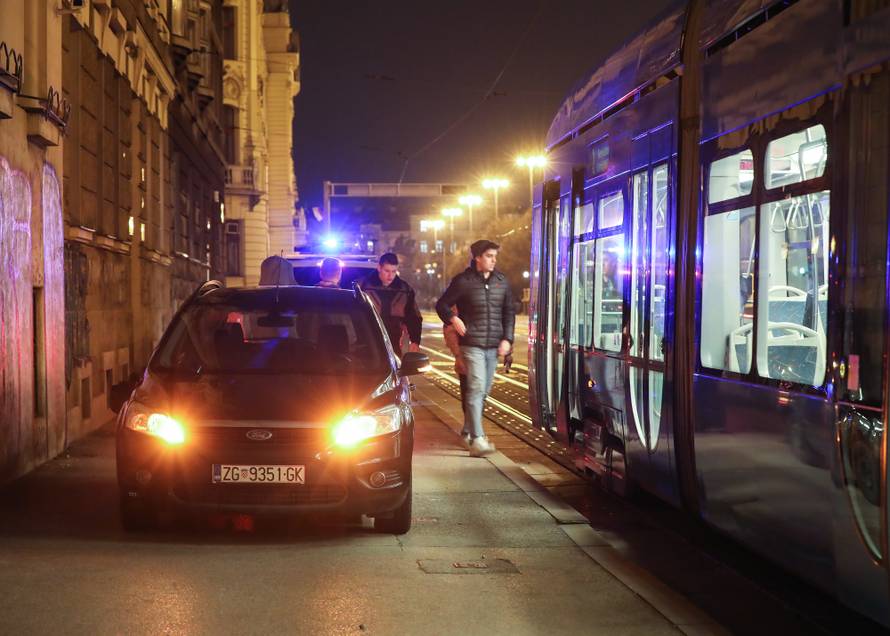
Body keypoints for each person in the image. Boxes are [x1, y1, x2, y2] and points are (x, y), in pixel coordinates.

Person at [436, 239, 515, 457]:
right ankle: (478, 440)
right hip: (471, 344)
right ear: (478, 257)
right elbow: (441, 304)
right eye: (489, 255)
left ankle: (468, 431)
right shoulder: (463, 281)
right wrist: (454, 319)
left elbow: (509, 312)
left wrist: (507, 339)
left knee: (484, 392)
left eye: (494, 256)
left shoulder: (502, 281)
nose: (493, 260)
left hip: (493, 346)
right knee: (477, 387)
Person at [358, 253, 422, 354]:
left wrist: (415, 341)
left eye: (394, 271)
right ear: (379, 268)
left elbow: (414, 317)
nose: (390, 276)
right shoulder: (363, 287)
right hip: (367, 341)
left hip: (394, 343)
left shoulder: (405, 290)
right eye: (387, 271)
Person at [443, 305, 468, 415]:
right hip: (465, 357)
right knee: (468, 392)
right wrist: (458, 354)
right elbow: (450, 330)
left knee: (480, 393)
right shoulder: (458, 302)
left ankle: (473, 423)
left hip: (486, 355)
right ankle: (471, 424)